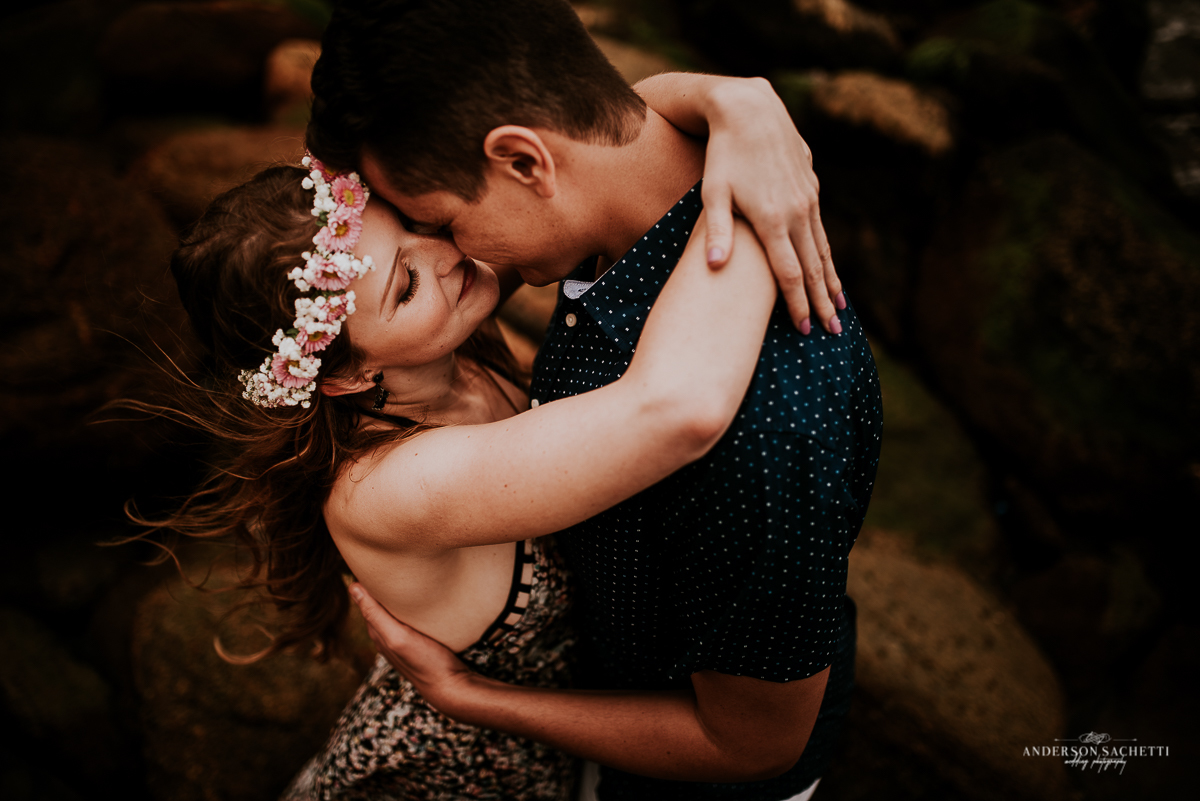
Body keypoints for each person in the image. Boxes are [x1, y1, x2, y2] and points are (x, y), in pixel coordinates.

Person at [141, 63, 841, 801]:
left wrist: (738, 105)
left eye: (413, 224)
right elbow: (676, 409)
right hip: (466, 773)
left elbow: (593, 142)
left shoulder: (444, 322)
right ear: (347, 378)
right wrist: (756, 194)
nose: (446, 253)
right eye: (403, 284)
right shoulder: (390, 486)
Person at [306, 1, 883, 800]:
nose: (455, 257)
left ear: (524, 162)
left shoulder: (766, 430)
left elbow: (750, 745)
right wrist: (741, 101)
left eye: (440, 220)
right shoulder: (616, 194)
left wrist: (488, 703)